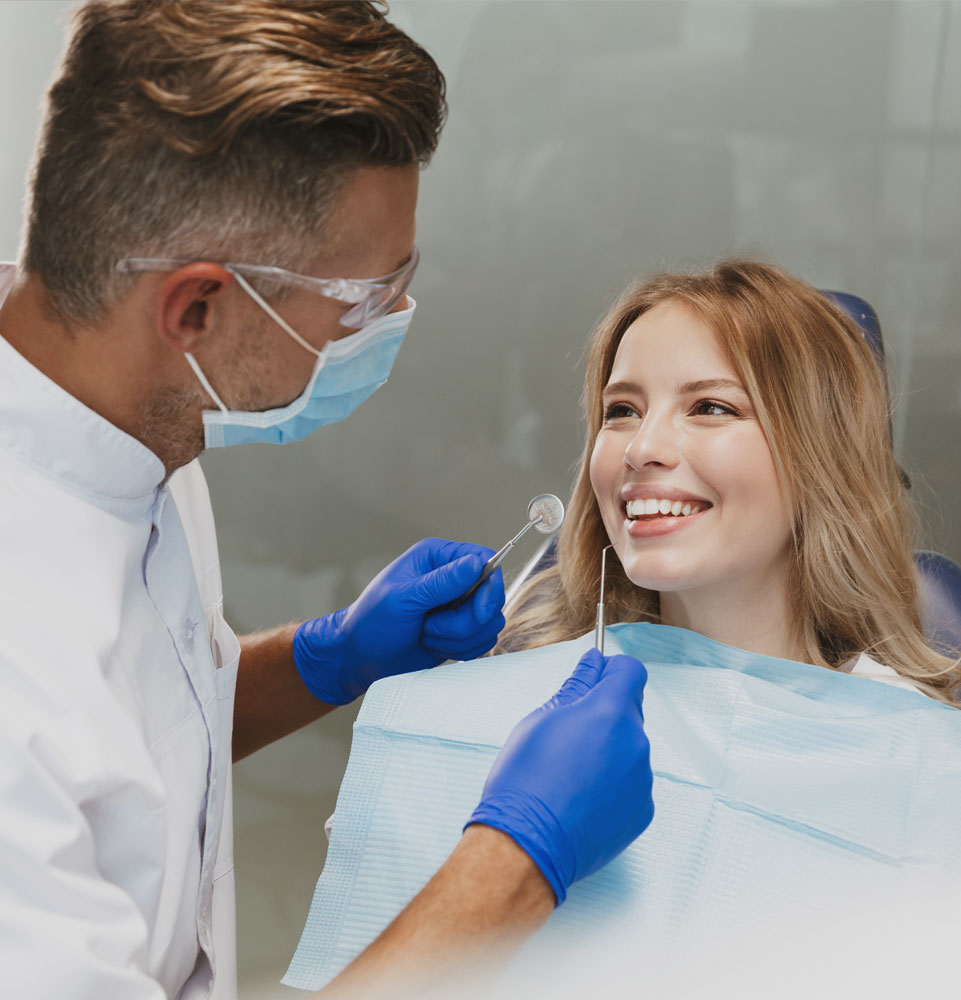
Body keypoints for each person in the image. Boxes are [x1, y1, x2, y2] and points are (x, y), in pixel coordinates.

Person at [0, 3, 654, 998]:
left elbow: (128, 743)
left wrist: (327, 656)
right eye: (362, 299)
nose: (394, 320)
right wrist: (518, 862)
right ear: (198, 306)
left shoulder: (135, 422)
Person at [498, 258, 960, 705]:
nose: (640, 449)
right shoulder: (519, 697)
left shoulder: (910, 744)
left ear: (820, 458)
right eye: (622, 411)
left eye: (711, 408)